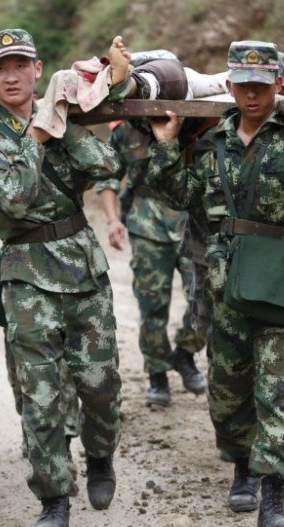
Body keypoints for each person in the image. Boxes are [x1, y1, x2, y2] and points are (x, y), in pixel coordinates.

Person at [144, 40, 284, 527]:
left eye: (262, 85)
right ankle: (240, 463)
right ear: (231, 83)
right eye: (242, 84)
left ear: (278, 85)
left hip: (281, 278)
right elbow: (177, 193)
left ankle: (274, 503)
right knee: (228, 393)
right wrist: (165, 142)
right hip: (226, 284)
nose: (252, 94)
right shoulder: (213, 137)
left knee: (277, 391)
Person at [0, 28, 122, 527]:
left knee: (99, 386)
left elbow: (107, 166)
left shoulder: (65, 117)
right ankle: (53, 499)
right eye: (0, 68)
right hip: (25, 277)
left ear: (38, 70)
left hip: (83, 270)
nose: (11, 75)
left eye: (20, 65)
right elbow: (5, 205)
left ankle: (101, 457)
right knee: (40, 395)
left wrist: (69, 123)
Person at [96, 116, 209, 407]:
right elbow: (107, 176)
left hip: (191, 221)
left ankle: (185, 353)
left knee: (206, 296)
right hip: (145, 223)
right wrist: (111, 220)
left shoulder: (192, 123)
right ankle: (157, 372)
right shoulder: (124, 131)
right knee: (152, 304)